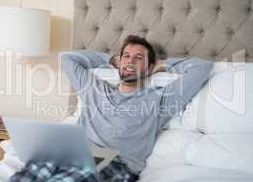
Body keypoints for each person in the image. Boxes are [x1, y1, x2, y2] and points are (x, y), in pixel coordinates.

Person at [59, 35, 213, 181]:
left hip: (115, 165)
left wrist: (159, 65)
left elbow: (202, 67)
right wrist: (112, 59)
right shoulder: (93, 88)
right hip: (75, 155)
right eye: (126, 56)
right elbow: (67, 58)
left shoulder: (160, 100)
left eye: (138, 58)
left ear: (149, 68)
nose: (130, 61)